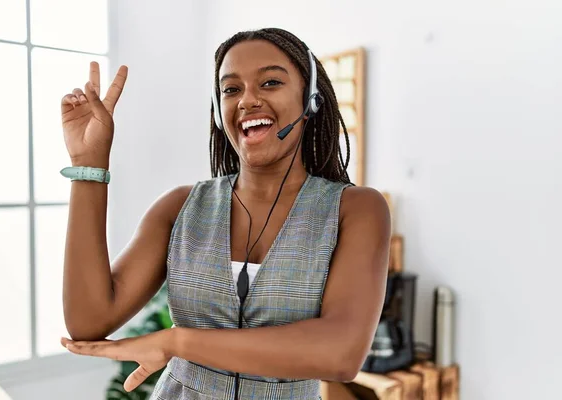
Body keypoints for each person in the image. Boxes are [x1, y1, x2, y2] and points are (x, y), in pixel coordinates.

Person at [59, 27, 391, 400]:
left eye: (269, 83)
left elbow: (340, 353)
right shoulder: (180, 207)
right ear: (219, 111)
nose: (247, 100)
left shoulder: (356, 209)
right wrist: (89, 165)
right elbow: (87, 321)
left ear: (310, 99)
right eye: (231, 89)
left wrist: (178, 342)